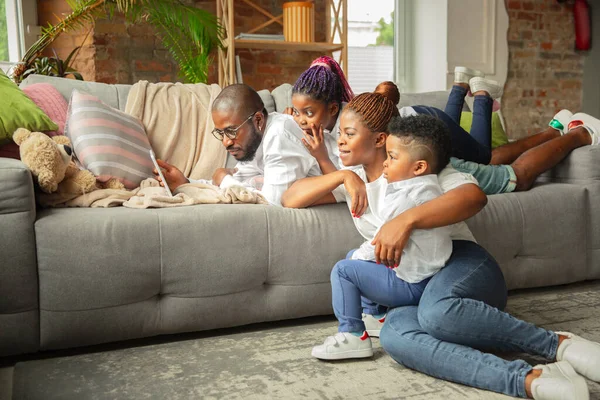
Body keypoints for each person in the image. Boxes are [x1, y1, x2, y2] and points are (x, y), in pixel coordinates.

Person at [282, 85, 600, 400]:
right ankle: (528, 380)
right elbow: (291, 198)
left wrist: (405, 220)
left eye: (349, 133)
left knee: (437, 314)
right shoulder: (356, 179)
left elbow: (473, 197)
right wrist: (342, 177)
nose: (339, 139)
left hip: (460, 264)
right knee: (395, 338)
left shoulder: (425, 165)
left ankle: (558, 344)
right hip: (409, 284)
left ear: (379, 139)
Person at [311, 114, 454, 360]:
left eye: (393, 157)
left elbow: (379, 241)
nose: (386, 163)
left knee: (344, 269)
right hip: (428, 273)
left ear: (418, 167)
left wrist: (356, 259)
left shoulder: (405, 198)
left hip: (413, 282)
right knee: (352, 260)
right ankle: (376, 315)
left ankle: (353, 335)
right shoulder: (426, 187)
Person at [153, 83, 321, 206]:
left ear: (258, 120)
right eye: (221, 133)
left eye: (232, 131)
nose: (226, 142)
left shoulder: (279, 136)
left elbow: (272, 204)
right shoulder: (256, 141)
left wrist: (224, 178)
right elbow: (239, 182)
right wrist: (186, 183)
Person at [284, 55, 354, 174]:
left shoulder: (352, 128)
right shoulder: (314, 125)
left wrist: (322, 157)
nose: (301, 121)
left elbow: (347, 185)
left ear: (332, 109)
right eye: (296, 112)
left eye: (309, 113)